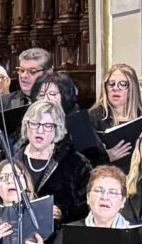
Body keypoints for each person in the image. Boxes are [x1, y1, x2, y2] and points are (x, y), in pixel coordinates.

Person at [5, 94, 87, 224]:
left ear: (57, 129)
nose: (40, 130)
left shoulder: (76, 163)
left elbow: (85, 207)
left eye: (48, 125)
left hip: (55, 236)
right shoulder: (9, 159)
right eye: (35, 124)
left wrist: (62, 213)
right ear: (26, 126)